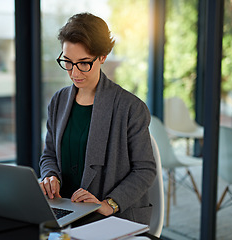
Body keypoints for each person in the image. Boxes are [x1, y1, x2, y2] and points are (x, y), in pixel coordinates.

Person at [39, 12, 156, 225]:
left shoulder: (130, 108)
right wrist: (50, 175)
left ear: (102, 57)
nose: (74, 72)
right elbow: (49, 154)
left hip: (109, 218)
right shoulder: (58, 101)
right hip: (64, 211)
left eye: (84, 63)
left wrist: (109, 203)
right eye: (68, 62)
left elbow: (145, 169)